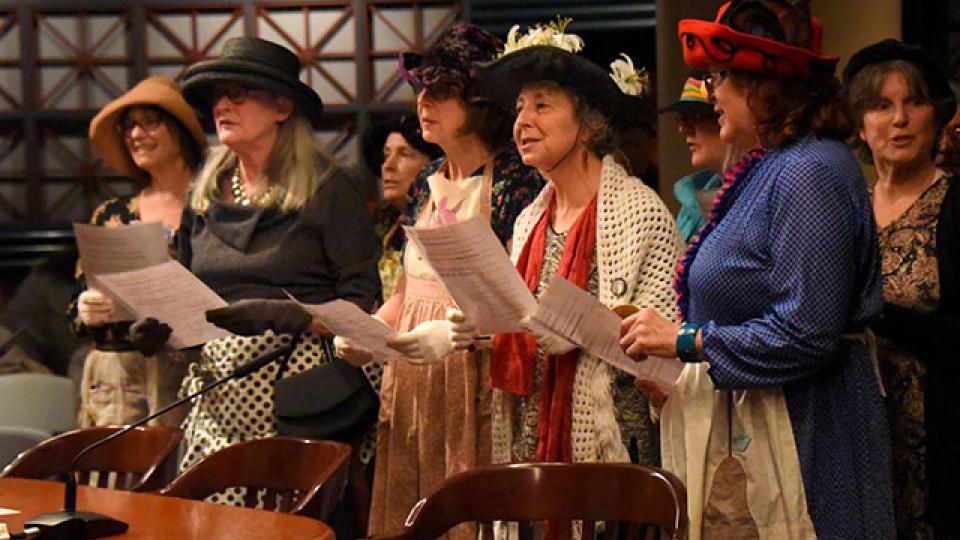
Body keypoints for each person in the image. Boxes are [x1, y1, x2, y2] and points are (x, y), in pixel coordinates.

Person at [620, 1, 894, 539]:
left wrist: (687, 343)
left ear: (763, 87)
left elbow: (808, 332)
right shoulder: (775, 166)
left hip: (807, 429)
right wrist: (686, 373)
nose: (710, 93)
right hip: (762, 424)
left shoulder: (807, 172)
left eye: (720, 78)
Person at [134, 37, 380, 482]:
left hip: (304, 398)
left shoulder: (329, 189)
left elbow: (362, 310)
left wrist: (286, 315)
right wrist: (165, 333)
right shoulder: (204, 195)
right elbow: (192, 299)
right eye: (217, 96)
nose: (222, 105)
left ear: (282, 107)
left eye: (239, 93)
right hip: (217, 397)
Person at [336, 23, 544, 539]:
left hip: (475, 377)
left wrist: (463, 333)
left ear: (478, 102)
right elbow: (408, 290)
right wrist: (367, 334)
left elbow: (523, 296)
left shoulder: (515, 183)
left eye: (442, 92)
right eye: (422, 90)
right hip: (413, 377)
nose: (425, 103)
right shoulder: (426, 183)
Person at [471, 18, 681, 488]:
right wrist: (484, 325)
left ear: (586, 125)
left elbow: (664, 360)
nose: (522, 123)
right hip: (532, 431)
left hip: (611, 446)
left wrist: (581, 328)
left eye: (542, 106)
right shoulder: (530, 218)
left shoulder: (640, 214)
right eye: (520, 109)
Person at [844, 38, 960, 539]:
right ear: (859, 124)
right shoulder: (848, 211)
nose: (900, 119)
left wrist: (877, 312)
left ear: (936, 116)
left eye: (914, 102)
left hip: (938, 444)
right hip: (856, 435)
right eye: (882, 106)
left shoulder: (953, 206)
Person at [73, 76, 207, 427]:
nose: (135, 134)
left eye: (150, 122)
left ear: (180, 130)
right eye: (128, 126)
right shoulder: (112, 213)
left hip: (194, 371)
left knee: (189, 478)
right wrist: (86, 309)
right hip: (118, 378)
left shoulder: (213, 208)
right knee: (114, 482)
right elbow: (78, 302)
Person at [361, 113, 442, 303]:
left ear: (432, 165)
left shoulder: (441, 222)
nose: (387, 166)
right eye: (386, 155)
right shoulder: (386, 225)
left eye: (404, 154)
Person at [659, 75, 725, 242]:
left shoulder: (762, 189)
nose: (683, 128)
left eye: (696, 116)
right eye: (681, 118)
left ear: (724, 117)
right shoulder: (691, 203)